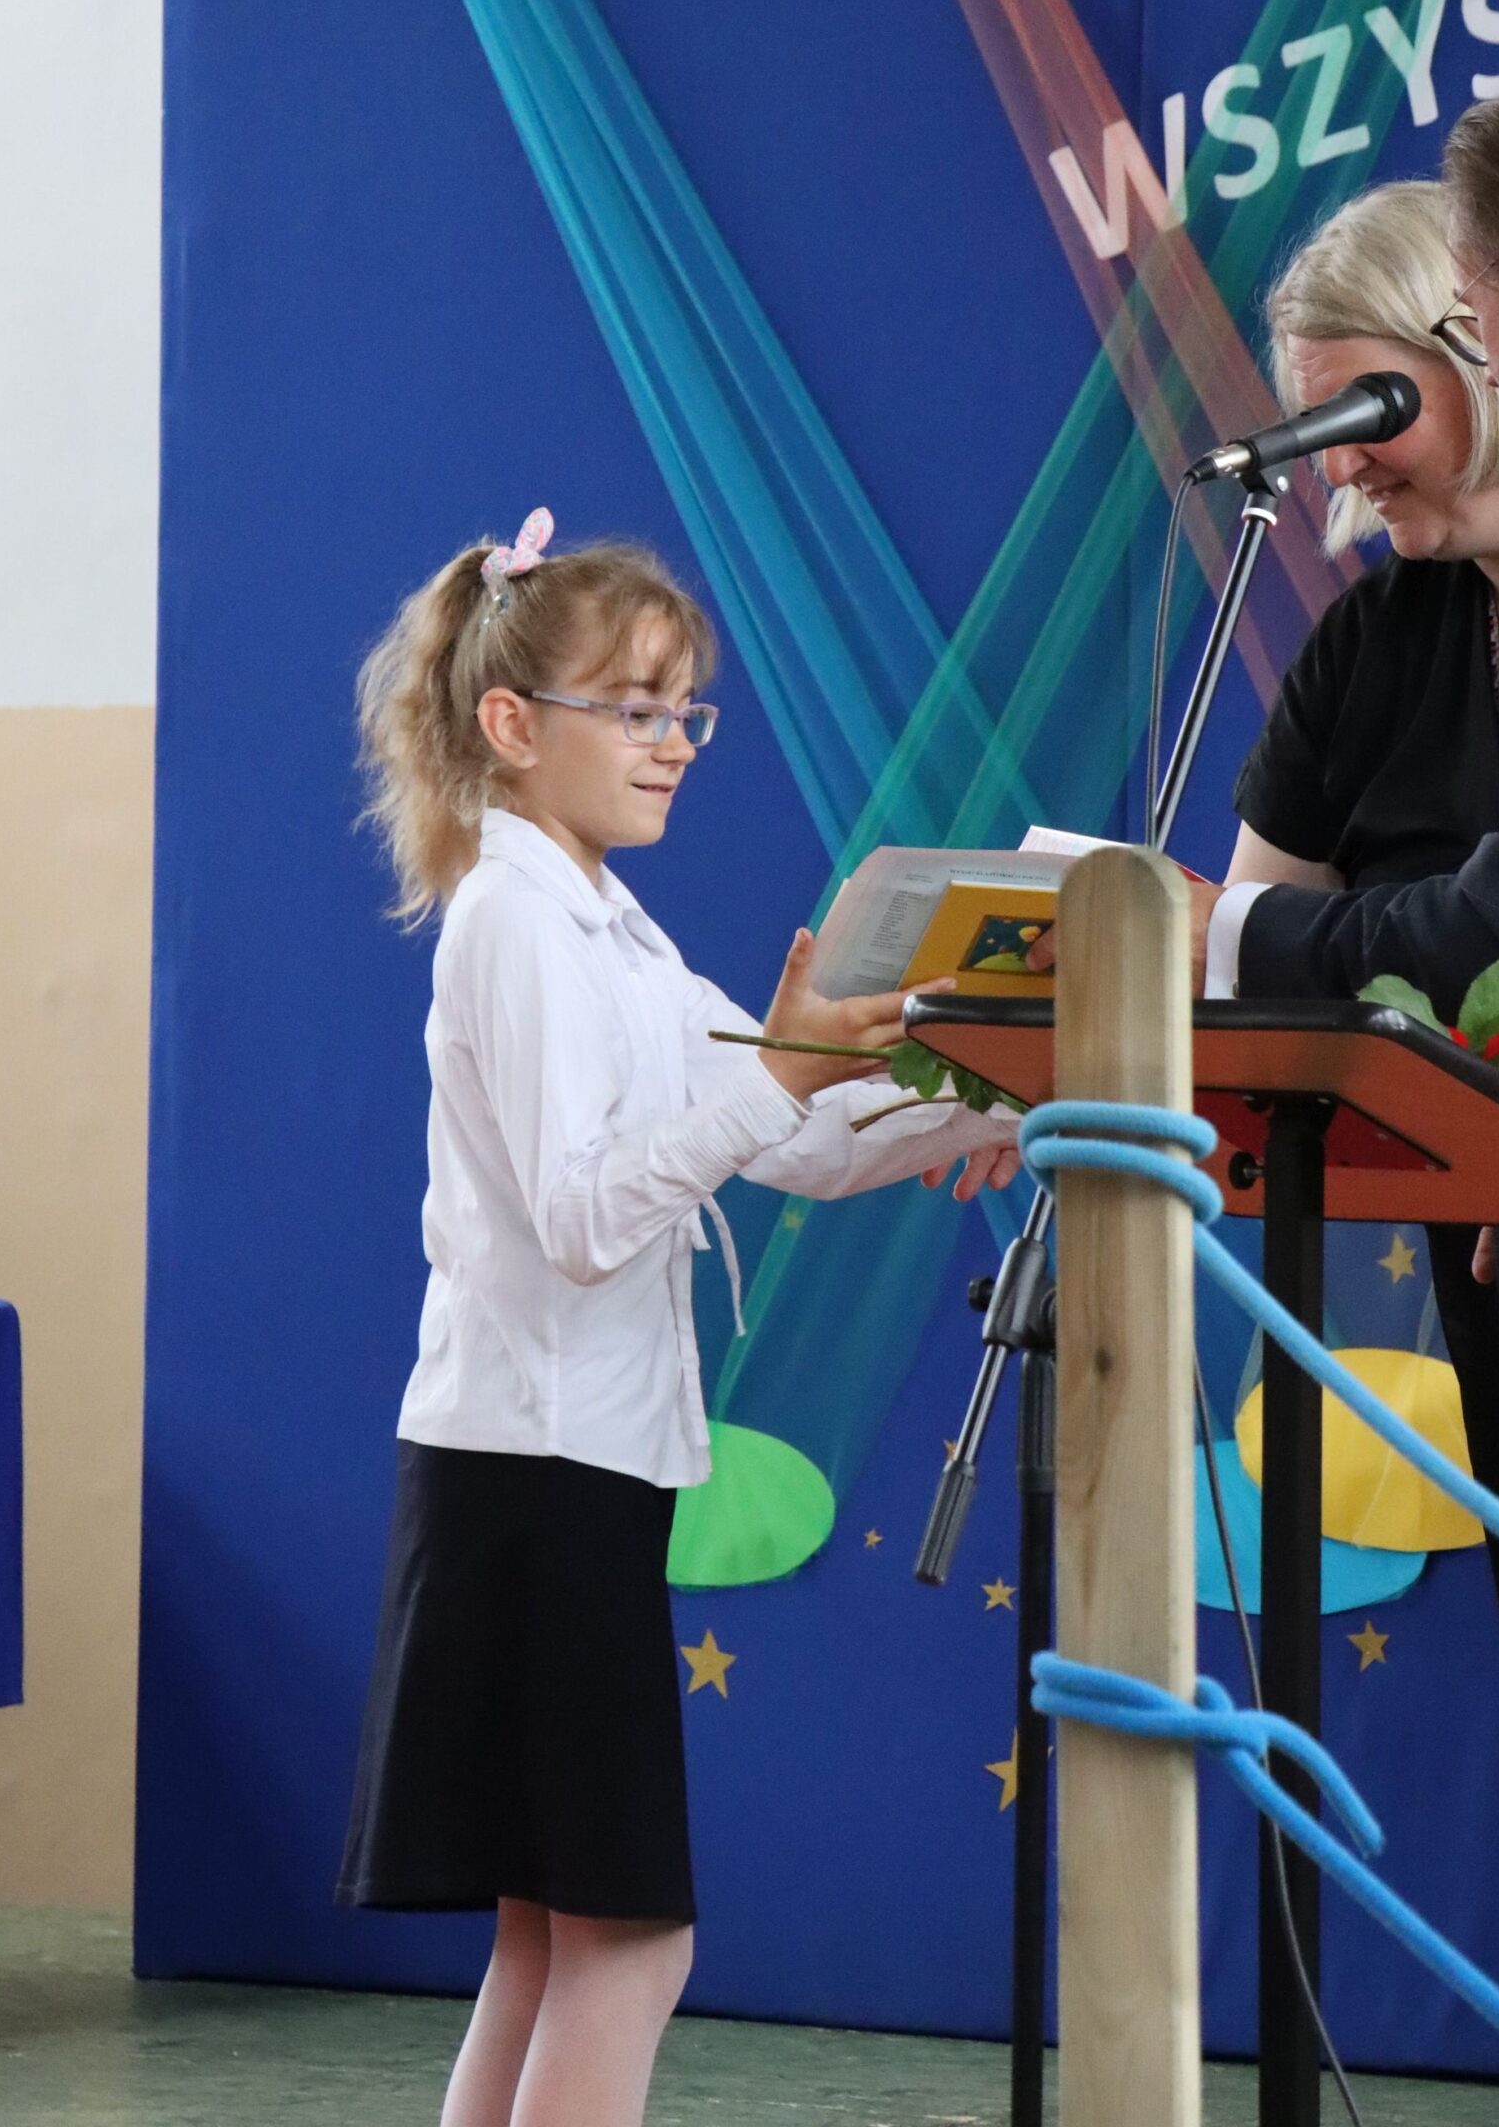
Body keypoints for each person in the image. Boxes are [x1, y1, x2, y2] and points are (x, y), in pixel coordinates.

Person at [339, 512, 1018, 2127]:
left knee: (549, 1935)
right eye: (634, 710)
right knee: (630, 1942)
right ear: (512, 727)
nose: (671, 745)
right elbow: (587, 1217)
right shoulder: (516, 923)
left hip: (566, 1474)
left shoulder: (614, 931)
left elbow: (790, 1135)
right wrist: (777, 1073)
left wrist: (983, 1101)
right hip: (530, 1479)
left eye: (683, 713)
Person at [1224, 178, 1499, 1934]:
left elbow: (1487, 933)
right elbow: (1232, 944)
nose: (1341, 463)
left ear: (1490, 348)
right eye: (1317, 424)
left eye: (1367, 405)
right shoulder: (1376, 638)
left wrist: (1228, 939)